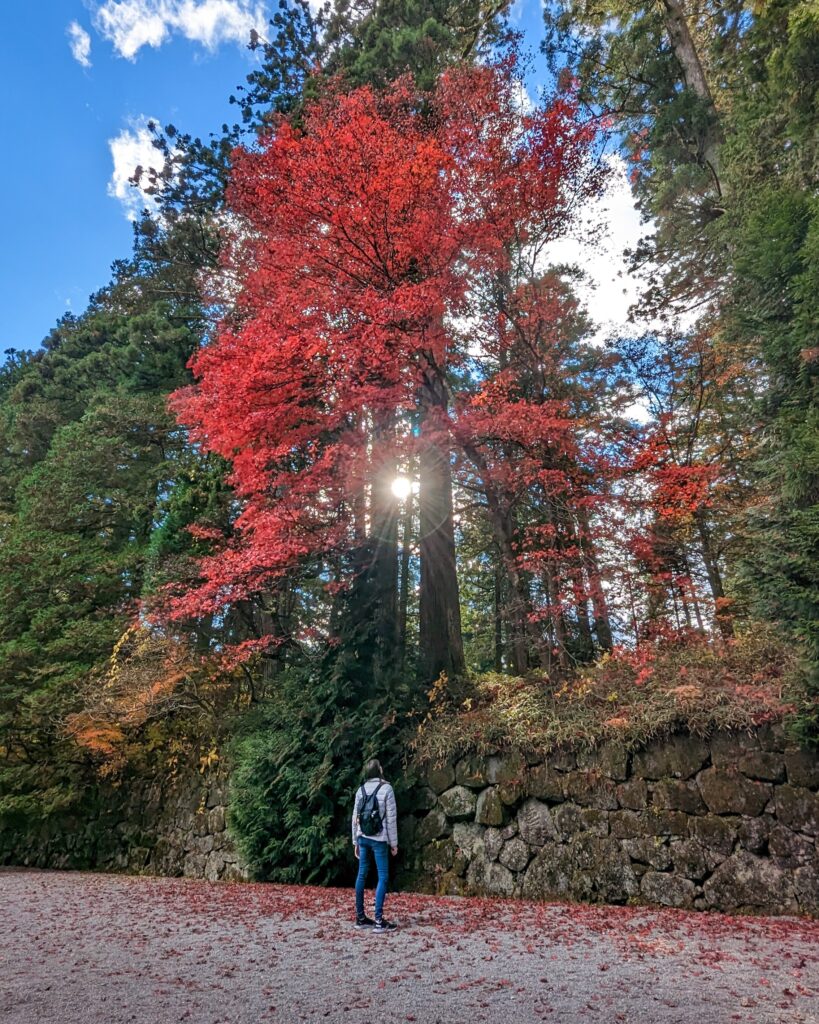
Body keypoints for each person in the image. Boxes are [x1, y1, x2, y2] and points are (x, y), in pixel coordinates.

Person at [352, 758, 398, 931]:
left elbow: (355, 818)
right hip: (379, 839)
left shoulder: (360, 790)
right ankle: (379, 921)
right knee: (383, 876)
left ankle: (361, 918)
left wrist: (355, 840)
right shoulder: (387, 789)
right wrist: (394, 843)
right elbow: (391, 819)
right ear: (379, 770)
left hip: (363, 837)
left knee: (361, 875)